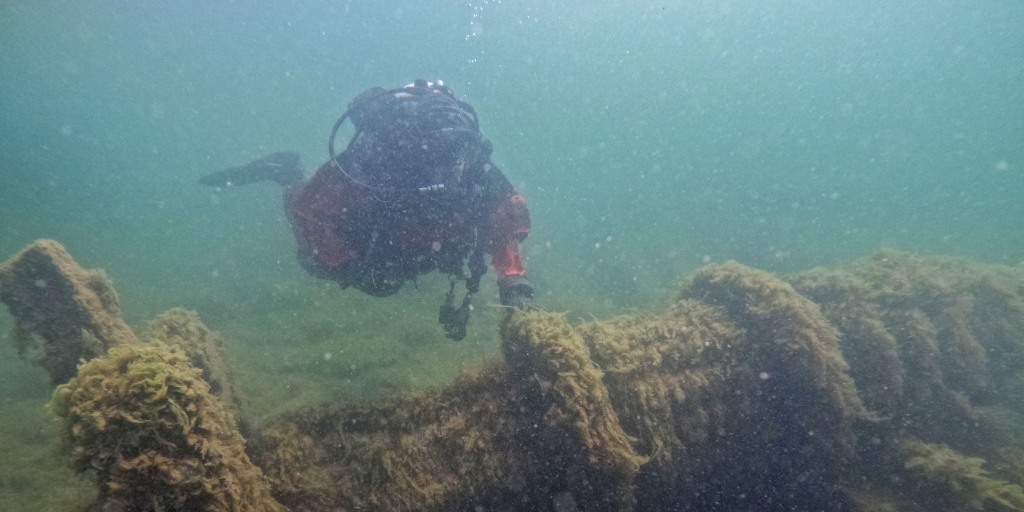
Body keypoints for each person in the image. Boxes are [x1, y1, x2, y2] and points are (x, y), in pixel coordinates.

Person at [200, 80, 534, 340]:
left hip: (421, 245)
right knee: (314, 262)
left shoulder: (472, 162)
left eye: (451, 166)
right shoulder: (375, 161)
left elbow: (506, 217)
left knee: (391, 280)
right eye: (433, 166)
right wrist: (348, 263)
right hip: (378, 234)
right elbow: (310, 212)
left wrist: (514, 282)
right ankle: (286, 173)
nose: (443, 178)